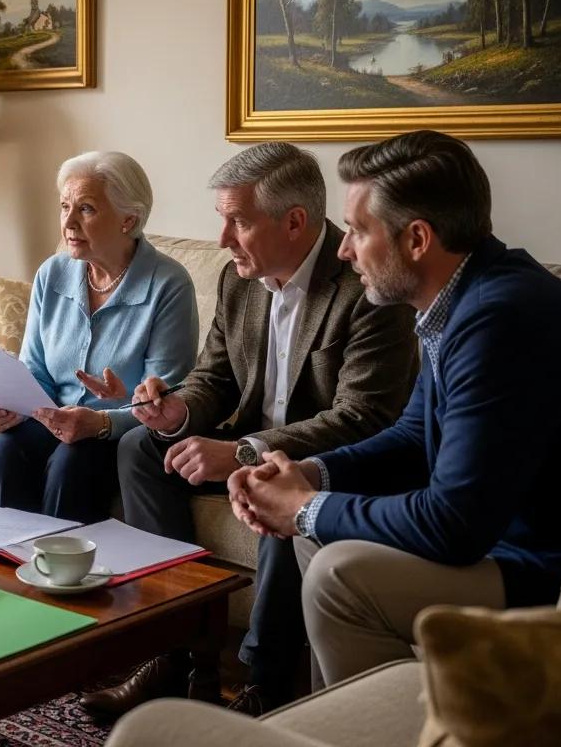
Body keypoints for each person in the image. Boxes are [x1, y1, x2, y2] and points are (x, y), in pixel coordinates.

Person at [230, 130, 561, 688]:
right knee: (312, 532)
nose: (344, 250)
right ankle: (374, 709)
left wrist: (305, 505)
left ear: (418, 239)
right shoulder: (467, 297)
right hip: (536, 545)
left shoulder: (501, 319)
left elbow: (453, 525)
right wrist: (311, 473)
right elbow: (411, 434)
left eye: (357, 230)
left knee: (337, 572)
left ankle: (395, 723)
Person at [80, 143, 418, 720]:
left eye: (238, 221)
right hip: (249, 445)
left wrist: (243, 452)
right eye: (222, 220)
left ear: (294, 222)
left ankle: (265, 682)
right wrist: (177, 410)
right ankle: (172, 653)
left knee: (276, 483)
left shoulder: (368, 285)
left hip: (324, 461)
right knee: (140, 447)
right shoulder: (240, 280)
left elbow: (361, 417)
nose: (222, 239)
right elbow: (214, 375)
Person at [0, 151, 199, 524]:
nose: (67, 222)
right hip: (54, 419)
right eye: (65, 206)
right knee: (8, 448)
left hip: (119, 433)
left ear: (128, 219)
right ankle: (0, 565)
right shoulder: (53, 273)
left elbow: (170, 401)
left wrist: (101, 422)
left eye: (86, 209)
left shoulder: (168, 284)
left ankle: (62, 575)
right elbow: (36, 369)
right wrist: (11, 405)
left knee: (73, 459)